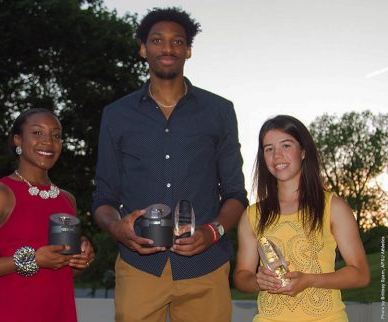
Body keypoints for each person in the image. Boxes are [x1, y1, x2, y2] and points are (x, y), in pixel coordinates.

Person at [92, 7, 247, 322]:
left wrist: (213, 231)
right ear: (143, 48)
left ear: (188, 51)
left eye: (177, 42)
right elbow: (104, 197)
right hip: (139, 268)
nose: (167, 48)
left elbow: (235, 192)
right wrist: (116, 228)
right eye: (157, 40)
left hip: (206, 268)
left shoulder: (219, 111)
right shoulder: (116, 114)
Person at [0, 108, 95, 322]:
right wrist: (32, 260)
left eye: (56, 135)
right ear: (18, 140)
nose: (48, 141)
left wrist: (80, 259)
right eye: (37, 133)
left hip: (59, 312)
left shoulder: (67, 199)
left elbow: (62, 271)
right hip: (12, 312)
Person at [234, 115, 370, 321]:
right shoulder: (252, 215)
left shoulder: (333, 207)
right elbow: (241, 276)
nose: (277, 156)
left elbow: (360, 274)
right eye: (269, 149)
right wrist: (258, 281)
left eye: (286, 145)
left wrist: (309, 280)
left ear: (303, 151)